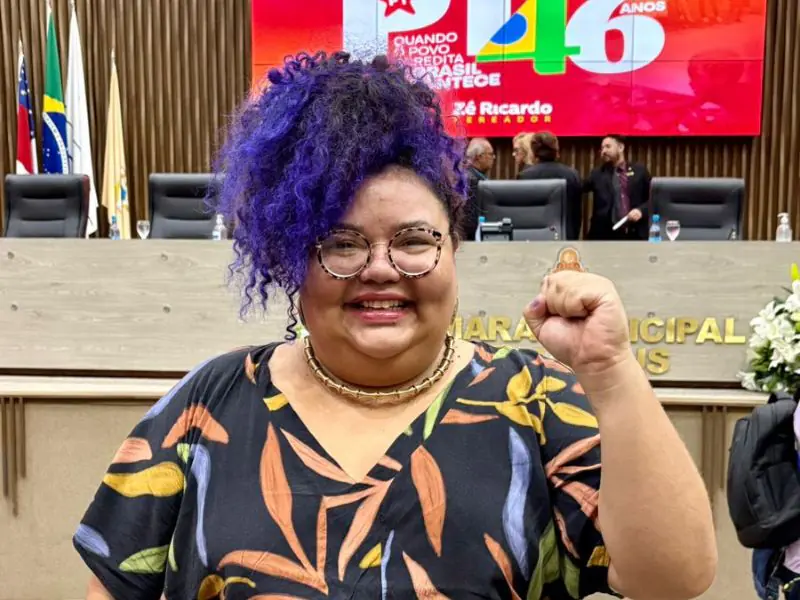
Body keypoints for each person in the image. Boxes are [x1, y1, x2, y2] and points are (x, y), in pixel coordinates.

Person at [75, 52, 716, 600]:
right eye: (342, 243)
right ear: (292, 258)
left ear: (455, 249)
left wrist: (609, 373)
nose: (380, 269)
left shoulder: (538, 401)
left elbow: (675, 578)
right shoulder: (210, 403)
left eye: (413, 241)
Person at [584, 134, 652, 241]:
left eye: (608, 147)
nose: (603, 151)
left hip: (635, 234)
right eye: (602, 148)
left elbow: (654, 198)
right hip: (604, 237)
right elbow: (579, 186)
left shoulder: (640, 171)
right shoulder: (597, 174)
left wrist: (641, 210)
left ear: (620, 148)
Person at [517, 132, 583, 240]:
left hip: (535, 239)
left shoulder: (525, 176)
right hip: (566, 238)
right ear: (557, 151)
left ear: (533, 152)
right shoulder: (572, 175)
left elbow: (523, 215)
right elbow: (576, 215)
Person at [463, 137, 494, 240]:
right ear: (479, 157)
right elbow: (472, 218)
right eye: (490, 154)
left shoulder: (470, 175)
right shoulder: (473, 181)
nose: (493, 157)